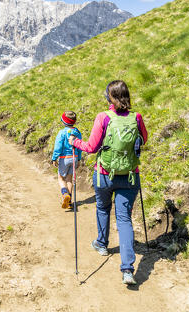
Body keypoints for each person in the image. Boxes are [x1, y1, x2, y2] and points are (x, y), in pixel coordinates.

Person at [69, 80, 148, 285]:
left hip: (104, 174)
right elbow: (144, 139)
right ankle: (128, 270)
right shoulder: (136, 117)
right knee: (124, 219)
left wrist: (74, 142)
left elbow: (92, 147)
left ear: (110, 97)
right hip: (130, 175)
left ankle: (102, 244)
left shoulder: (103, 117)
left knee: (103, 208)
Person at [51, 111, 82, 209]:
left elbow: (58, 146)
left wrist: (54, 158)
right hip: (74, 157)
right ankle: (69, 202)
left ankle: (65, 195)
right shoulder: (77, 132)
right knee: (69, 179)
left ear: (63, 122)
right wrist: (79, 158)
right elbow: (80, 146)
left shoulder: (62, 133)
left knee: (60, 178)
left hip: (64, 158)